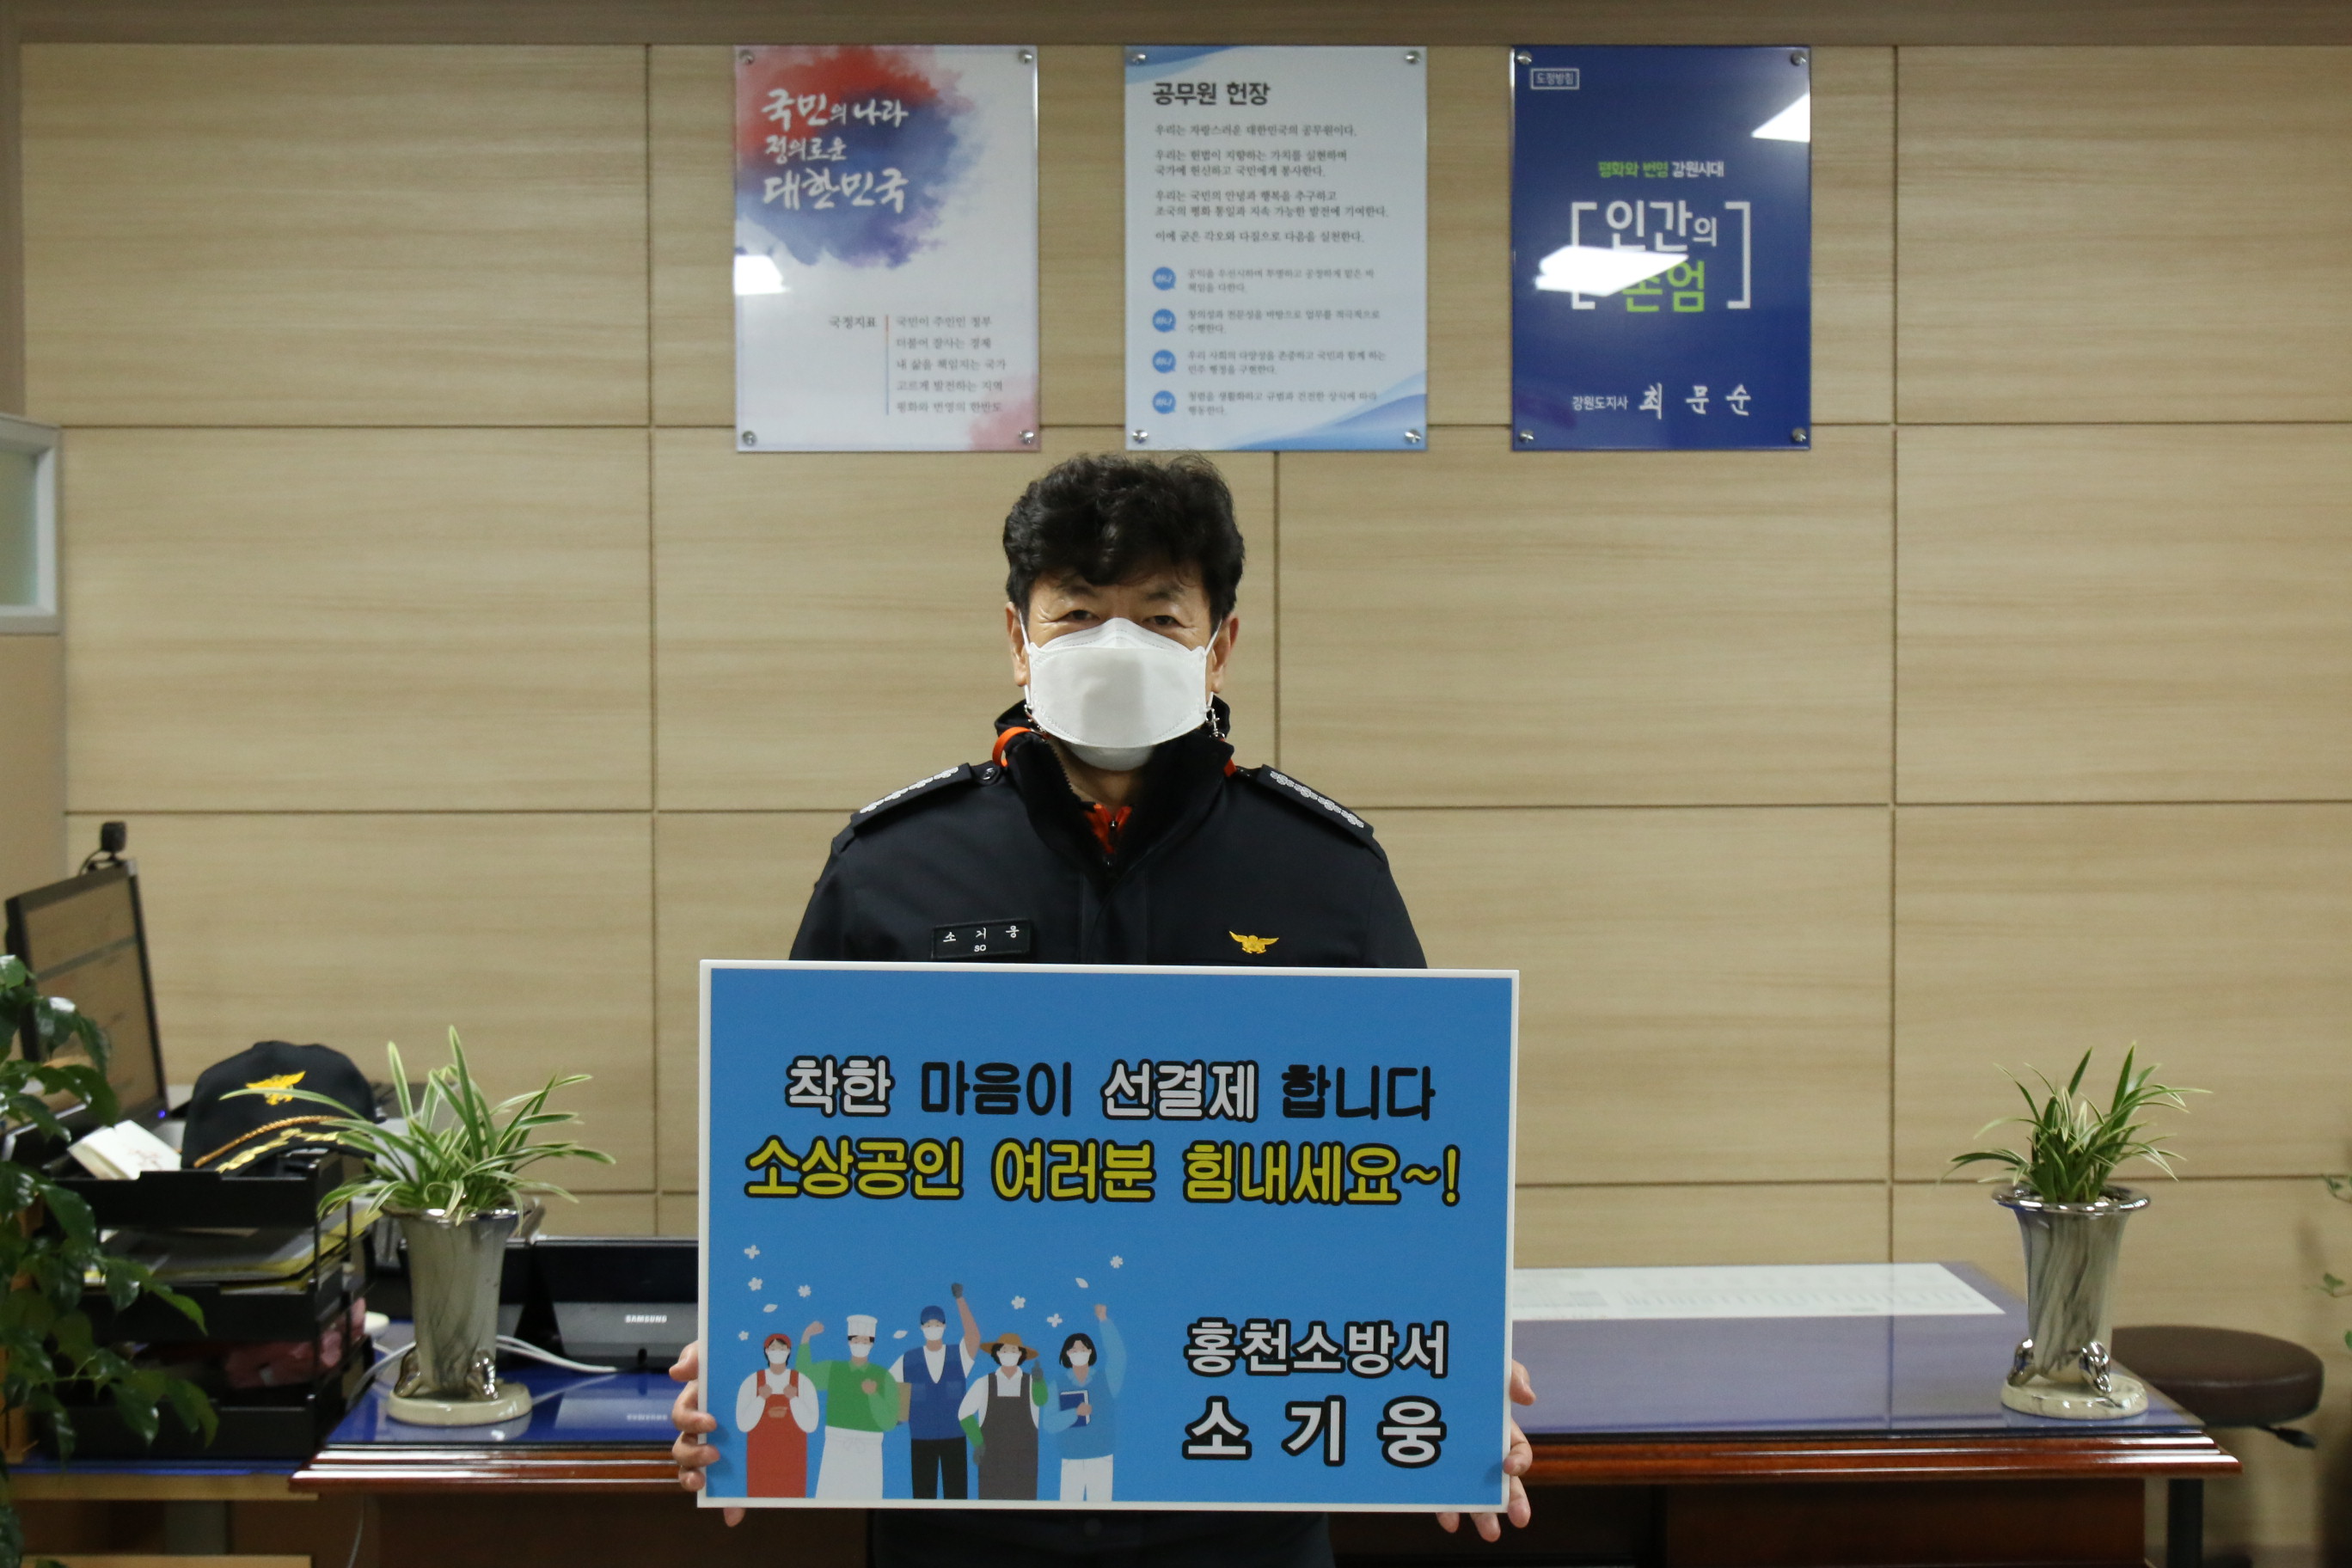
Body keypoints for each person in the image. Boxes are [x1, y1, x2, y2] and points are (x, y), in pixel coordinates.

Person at [670, 452, 1536, 1562]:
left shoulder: (1324, 873)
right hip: (962, 1511)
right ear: (1017, 637)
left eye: (1160, 616)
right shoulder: (893, 867)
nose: (1116, 646)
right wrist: (747, 1348)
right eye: (1078, 614)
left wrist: (1452, 1365)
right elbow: (806, 1156)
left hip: (1238, 1498)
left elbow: (1408, 1162)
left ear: (1220, 643)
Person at [793, 1314, 898, 1499]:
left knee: (867, 1498)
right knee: (830, 1497)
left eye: (865, 1341)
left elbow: (890, 1422)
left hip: (869, 1449)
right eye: (856, 1340)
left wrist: (874, 1395)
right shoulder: (835, 1369)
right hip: (836, 1446)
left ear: (872, 1344)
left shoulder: (883, 1376)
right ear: (849, 1342)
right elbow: (803, 1377)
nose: (860, 1344)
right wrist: (805, 1338)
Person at [897, 1286, 983, 1499]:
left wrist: (960, 1300)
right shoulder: (909, 1359)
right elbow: (892, 1387)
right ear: (921, 1328)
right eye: (928, 1325)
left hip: (955, 1437)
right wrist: (898, 1416)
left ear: (944, 1326)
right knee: (922, 1498)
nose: (932, 1328)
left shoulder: (958, 1355)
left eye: (937, 1324)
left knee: (957, 1496)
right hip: (921, 1438)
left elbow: (973, 1337)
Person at [1040, 1303, 1124, 1504]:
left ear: (1091, 1352)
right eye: (1074, 1349)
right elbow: (1049, 1423)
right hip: (1071, 1458)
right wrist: (1074, 1413)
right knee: (1068, 1510)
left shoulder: (1107, 1380)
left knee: (1102, 1507)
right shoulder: (1057, 1385)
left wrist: (1104, 1321)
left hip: (1101, 1456)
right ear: (1067, 1354)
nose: (1079, 1352)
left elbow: (1118, 1356)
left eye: (1083, 1349)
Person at [956, 1331, 1049, 1501]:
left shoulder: (1031, 1382)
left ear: (1021, 1354)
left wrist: (1039, 1382)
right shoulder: (984, 1383)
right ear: (997, 1353)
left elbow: (1041, 1401)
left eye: (1014, 1350)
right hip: (992, 1461)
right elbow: (964, 1413)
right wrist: (978, 1442)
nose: (1009, 1354)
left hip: (1023, 1463)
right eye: (1004, 1350)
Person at [732, 1331, 818, 1498]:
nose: (777, 1352)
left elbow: (811, 1425)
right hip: (761, 1462)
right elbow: (743, 1424)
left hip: (793, 1461)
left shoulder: (803, 1382)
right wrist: (761, 1399)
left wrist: (793, 1399)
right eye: (773, 1348)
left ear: (789, 1351)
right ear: (766, 1351)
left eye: (782, 1348)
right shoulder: (751, 1382)